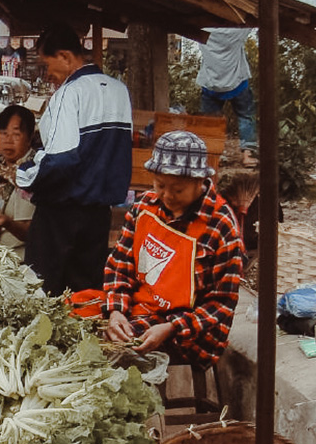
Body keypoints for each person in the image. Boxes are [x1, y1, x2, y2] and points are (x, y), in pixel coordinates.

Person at [98, 130, 243, 366]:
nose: (167, 195)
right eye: (160, 185)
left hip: (192, 332)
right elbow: (119, 265)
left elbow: (222, 303)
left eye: (177, 189)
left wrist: (172, 327)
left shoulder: (220, 225)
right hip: (142, 308)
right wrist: (116, 311)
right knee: (82, 328)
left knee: (110, 355)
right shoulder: (144, 207)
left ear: (200, 182)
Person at [15, 23, 132, 296]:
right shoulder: (118, 90)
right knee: (85, 291)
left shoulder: (69, 93)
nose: (47, 75)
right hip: (98, 213)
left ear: (65, 56)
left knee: (41, 290)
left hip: (61, 212)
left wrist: (22, 173)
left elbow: (61, 159)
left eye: (47, 65)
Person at [0, 104, 38, 261]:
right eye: (3, 134)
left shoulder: (31, 175)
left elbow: (31, 233)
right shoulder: (1, 170)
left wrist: (7, 223)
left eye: (16, 135)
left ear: (30, 137)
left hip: (18, 264)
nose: (8, 141)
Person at [197, 27, 257, 169]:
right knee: (246, 116)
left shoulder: (203, 30)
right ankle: (248, 155)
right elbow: (254, 19)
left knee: (211, 121)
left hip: (211, 84)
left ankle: (214, 156)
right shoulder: (236, 31)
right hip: (237, 82)